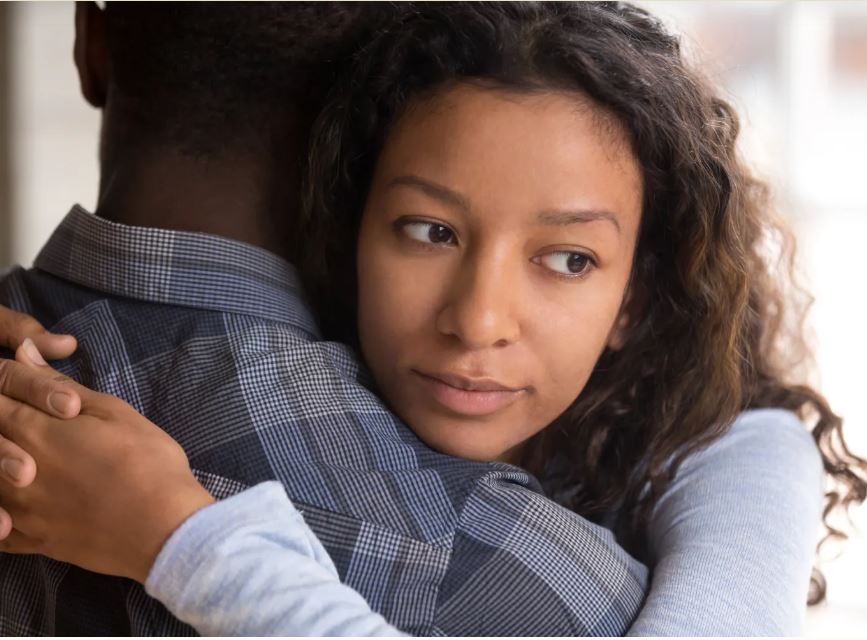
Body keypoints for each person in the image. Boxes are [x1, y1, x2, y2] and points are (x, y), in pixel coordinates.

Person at [0, 1, 861, 636]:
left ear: (640, 295)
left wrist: (182, 538)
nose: (479, 320)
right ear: (348, 188)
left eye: (568, 259)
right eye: (429, 231)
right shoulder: (547, 586)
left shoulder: (715, 472)